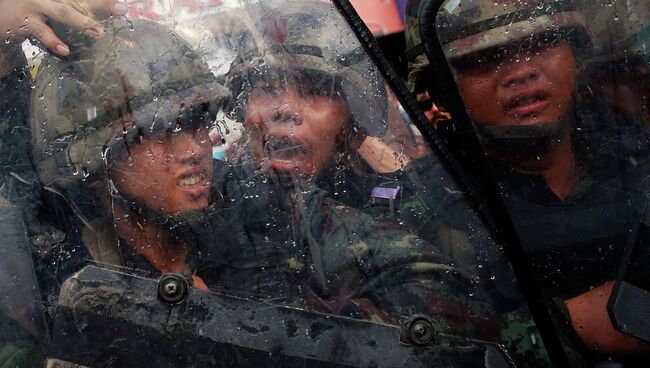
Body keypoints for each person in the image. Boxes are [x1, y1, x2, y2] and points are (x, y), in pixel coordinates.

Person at [217, 0, 499, 341]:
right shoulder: (211, 205)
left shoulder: (414, 213)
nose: (285, 110)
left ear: (350, 125)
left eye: (316, 91)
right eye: (266, 88)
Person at [405, 0, 650, 365]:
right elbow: (423, 347)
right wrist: (572, 327)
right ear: (441, 91)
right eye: (483, 58)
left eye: (539, 44)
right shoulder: (416, 209)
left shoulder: (638, 161)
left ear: (576, 57)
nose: (519, 72)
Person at [29, 17, 231, 301]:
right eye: (157, 132)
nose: (193, 150)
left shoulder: (246, 215)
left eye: (196, 121)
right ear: (96, 169)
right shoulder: (71, 285)